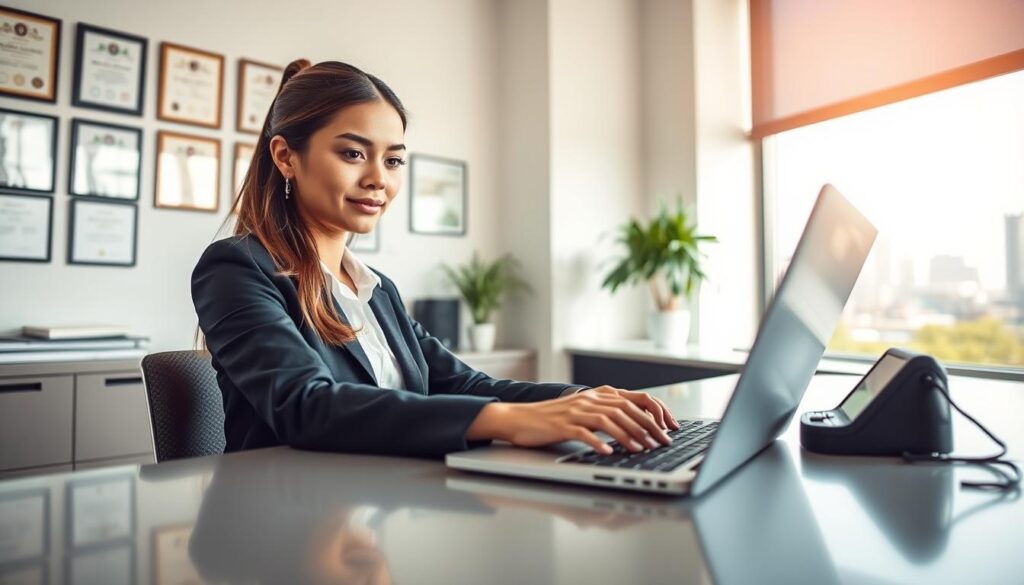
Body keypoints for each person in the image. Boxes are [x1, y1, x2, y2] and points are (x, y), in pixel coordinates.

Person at [190, 59, 680, 459]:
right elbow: (307, 406)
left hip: (382, 506)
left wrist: (579, 399)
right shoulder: (236, 268)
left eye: (394, 159)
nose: (379, 178)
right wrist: (512, 420)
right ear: (285, 157)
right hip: (283, 521)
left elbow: (464, 383)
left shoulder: (376, 289)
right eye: (353, 154)